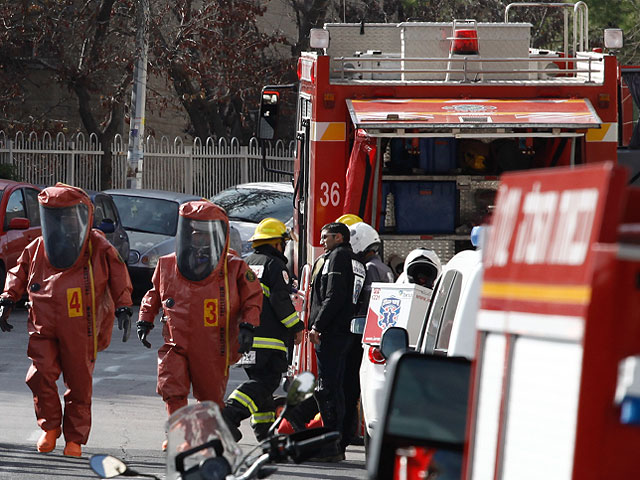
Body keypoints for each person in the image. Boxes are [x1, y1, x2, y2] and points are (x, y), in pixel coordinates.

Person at [0, 183, 133, 457]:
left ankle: (75, 439)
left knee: (79, 383)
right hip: (43, 323)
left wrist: (124, 307)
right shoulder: (38, 246)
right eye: (57, 217)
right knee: (39, 376)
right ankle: (50, 428)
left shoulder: (96, 244)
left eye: (70, 216)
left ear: (82, 216)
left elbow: (118, 272)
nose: (64, 222)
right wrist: (7, 298)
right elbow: (18, 271)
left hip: (81, 328)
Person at [136, 199, 262, 450]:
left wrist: (248, 327)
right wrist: (144, 319)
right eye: (194, 235)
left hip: (213, 345)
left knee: (210, 397)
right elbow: (154, 293)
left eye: (205, 236)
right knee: (172, 387)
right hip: (176, 340)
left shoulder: (234, 266)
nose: (199, 241)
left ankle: (203, 438)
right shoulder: (168, 264)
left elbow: (252, 299)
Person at [287, 222, 366, 462]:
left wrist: (317, 326)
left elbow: (334, 295)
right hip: (351, 332)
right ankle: (339, 441)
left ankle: (331, 445)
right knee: (346, 389)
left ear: (339, 237)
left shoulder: (337, 257)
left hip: (333, 333)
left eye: (327, 237)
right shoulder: (357, 261)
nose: (322, 241)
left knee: (328, 388)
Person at [222, 218, 304, 442]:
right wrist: (296, 326)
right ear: (277, 244)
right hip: (270, 340)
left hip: (247, 337)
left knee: (263, 388)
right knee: (264, 384)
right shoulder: (275, 265)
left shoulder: (247, 263)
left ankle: (265, 434)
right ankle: (229, 414)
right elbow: (280, 301)